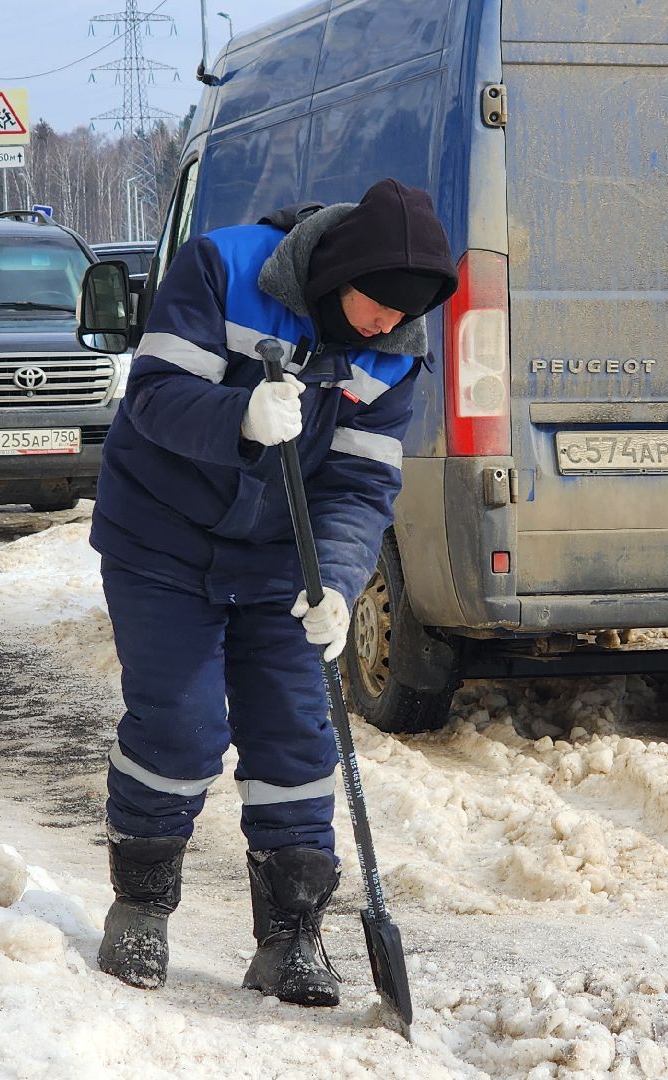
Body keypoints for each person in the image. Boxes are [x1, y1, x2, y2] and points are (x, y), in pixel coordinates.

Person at [90, 178, 456, 1006]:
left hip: (281, 556)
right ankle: (140, 908)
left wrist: (337, 582)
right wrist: (240, 417)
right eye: (379, 307)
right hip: (162, 539)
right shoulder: (224, 267)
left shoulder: (396, 350)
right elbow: (150, 399)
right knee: (181, 723)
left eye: (406, 315)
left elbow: (361, 483)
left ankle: (291, 935)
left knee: (296, 734)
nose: (390, 326)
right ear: (343, 273)